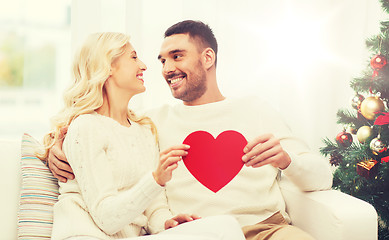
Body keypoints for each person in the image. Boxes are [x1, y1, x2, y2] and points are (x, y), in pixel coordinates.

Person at [48, 21, 333, 240]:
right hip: (199, 233)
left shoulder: (256, 109)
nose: (166, 68)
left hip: (268, 230)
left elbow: (322, 177)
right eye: (162, 60)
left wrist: (286, 160)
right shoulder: (150, 123)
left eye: (176, 56)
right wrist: (56, 150)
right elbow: (98, 132)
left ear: (207, 58)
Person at [39, 32, 245, 240]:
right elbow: (107, 218)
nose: (144, 66)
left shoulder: (144, 129)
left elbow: (154, 207)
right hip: (86, 235)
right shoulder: (86, 127)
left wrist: (166, 223)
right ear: (108, 66)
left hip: (131, 237)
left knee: (225, 225)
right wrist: (155, 179)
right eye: (134, 57)